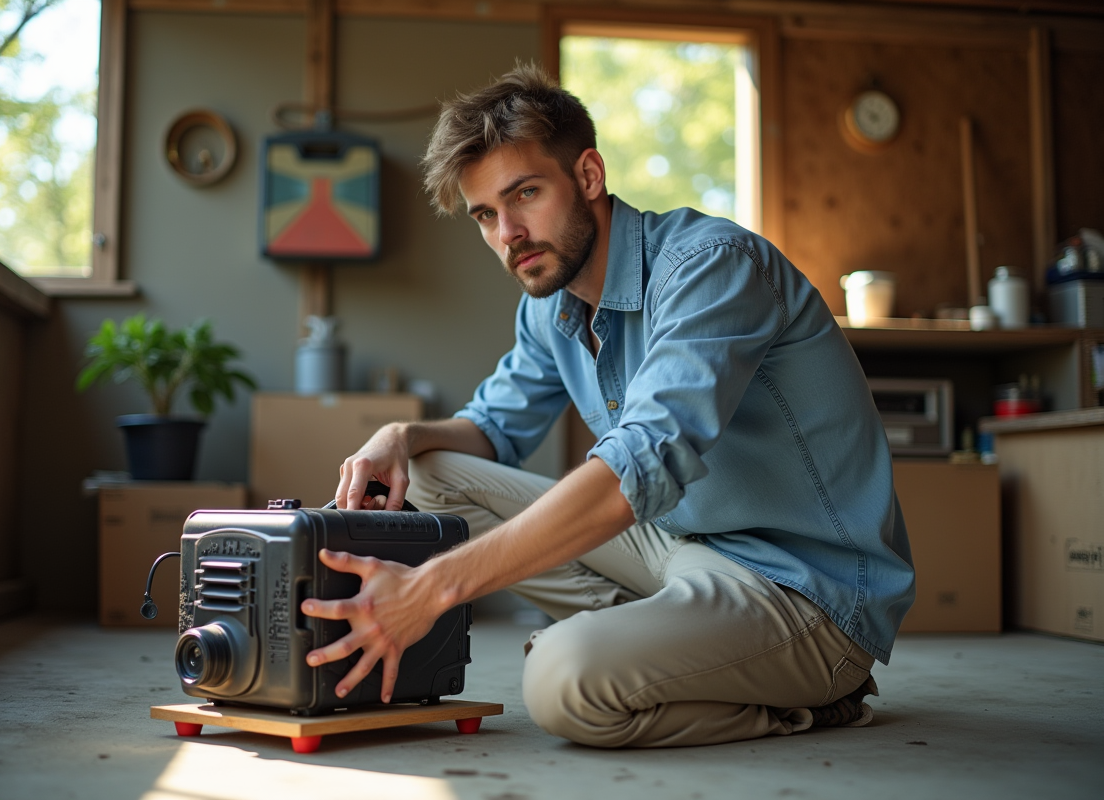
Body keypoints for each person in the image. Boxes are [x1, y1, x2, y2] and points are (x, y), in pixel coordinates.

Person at [299, 63, 915, 748]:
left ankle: (811, 698)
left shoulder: (711, 266)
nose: (508, 234)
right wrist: (401, 434)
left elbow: (638, 464)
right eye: (485, 216)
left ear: (587, 176)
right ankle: (645, 640)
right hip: (680, 545)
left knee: (562, 684)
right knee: (433, 469)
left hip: (802, 593)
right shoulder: (550, 304)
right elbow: (491, 429)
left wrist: (430, 589)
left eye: (524, 194)